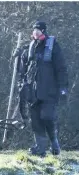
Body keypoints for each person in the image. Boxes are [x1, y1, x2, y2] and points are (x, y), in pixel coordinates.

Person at [24, 21, 68, 156]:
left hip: (49, 90)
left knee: (47, 117)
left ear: (43, 31)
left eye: (38, 30)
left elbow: (61, 68)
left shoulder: (52, 46)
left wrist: (63, 87)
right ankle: (40, 148)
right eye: (34, 30)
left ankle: (54, 143)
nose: (35, 32)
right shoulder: (31, 46)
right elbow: (26, 67)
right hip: (33, 90)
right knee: (35, 119)